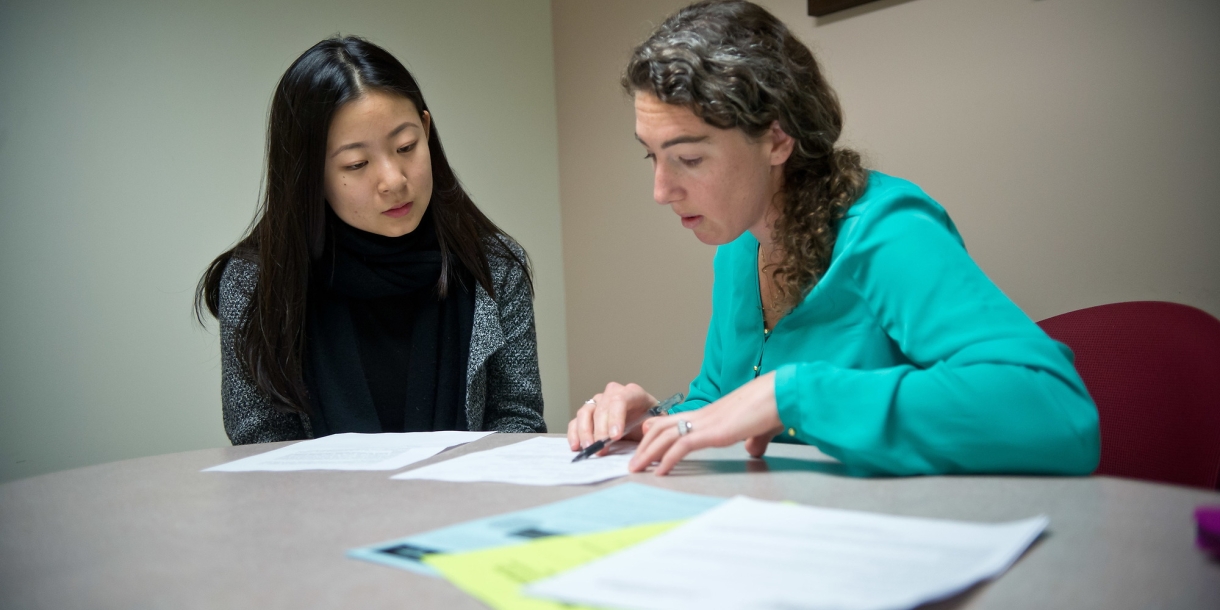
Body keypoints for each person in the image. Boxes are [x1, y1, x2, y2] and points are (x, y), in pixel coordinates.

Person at [567, 0, 1100, 477]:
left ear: (776, 139)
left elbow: (1058, 412)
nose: (661, 191)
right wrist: (658, 421)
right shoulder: (739, 245)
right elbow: (726, 400)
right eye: (651, 155)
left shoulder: (886, 230)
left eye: (688, 158)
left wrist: (796, 393)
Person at [196, 37, 545, 444]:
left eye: (406, 147)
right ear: (309, 174)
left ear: (427, 131)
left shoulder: (494, 266)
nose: (394, 180)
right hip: (313, 508)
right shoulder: (256, 283)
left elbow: (518, 421)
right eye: (356, 164)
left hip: (472, 505)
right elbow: (260, 448)